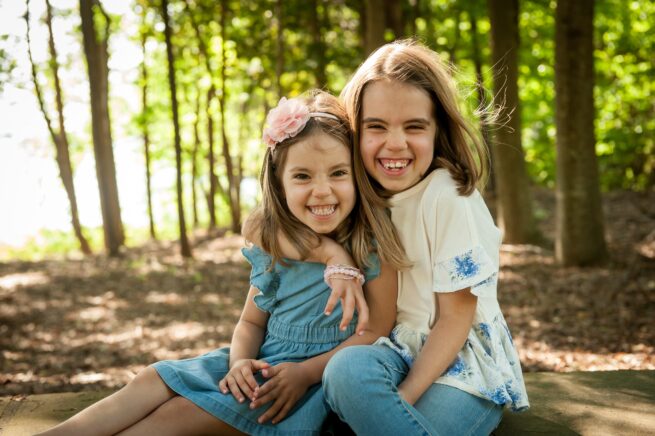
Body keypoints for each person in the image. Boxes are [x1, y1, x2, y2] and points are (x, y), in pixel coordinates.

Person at [38, 90, 405, 436]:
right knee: (152, 378)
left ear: (357, 175)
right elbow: (251, 321)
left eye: (338, 173)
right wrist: (238, 362)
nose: (322, 190)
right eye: (302, 176)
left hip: (299, 382)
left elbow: (374, 332)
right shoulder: (279, 248)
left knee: (176, 416)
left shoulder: (371, 247)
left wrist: (305, 373)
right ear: (279, 185)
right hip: (255, 361)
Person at [320, 40, 530, 435]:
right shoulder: (360, 198)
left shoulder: (447, 195)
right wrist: (332, 252)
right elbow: (269, 229)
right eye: (376, 127)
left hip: (461, 365)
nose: (395, 143)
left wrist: (403, 398)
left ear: (438, 130)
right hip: (393, 353)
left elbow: (455, 318)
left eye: (414, 127)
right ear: (354, 132)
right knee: (345, 369)